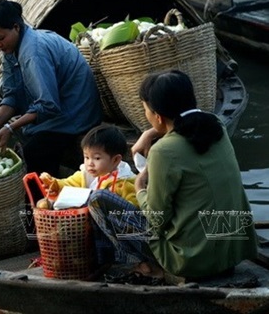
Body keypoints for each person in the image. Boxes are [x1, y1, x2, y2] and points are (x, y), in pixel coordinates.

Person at [89, 70, 258, 280]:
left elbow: (156, 219)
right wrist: (151, 132)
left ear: (158, 116)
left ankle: (148, 266)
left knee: (98, 200)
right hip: (233, 253)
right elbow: (182, 135)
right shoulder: (215, 126)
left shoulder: (164, 151)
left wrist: (141, 187)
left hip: (191, 260)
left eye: (146, 111)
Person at [0, 0, 103, 185]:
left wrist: (10, 127)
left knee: (32, 155)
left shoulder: (34, 53)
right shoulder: (11, 49)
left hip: (75, 114)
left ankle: (42, 205)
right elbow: (12, 96)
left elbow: (48, 105)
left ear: (16, 27)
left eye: (0, 38)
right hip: (57, 112)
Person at [39, 123, 138, 207]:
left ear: (115, 160)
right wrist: (54, 184)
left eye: (97, 158)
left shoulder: (124, 183)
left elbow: (133, 207)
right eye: (87, 157)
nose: (90, 163)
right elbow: (68, 183)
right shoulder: (86, 175)